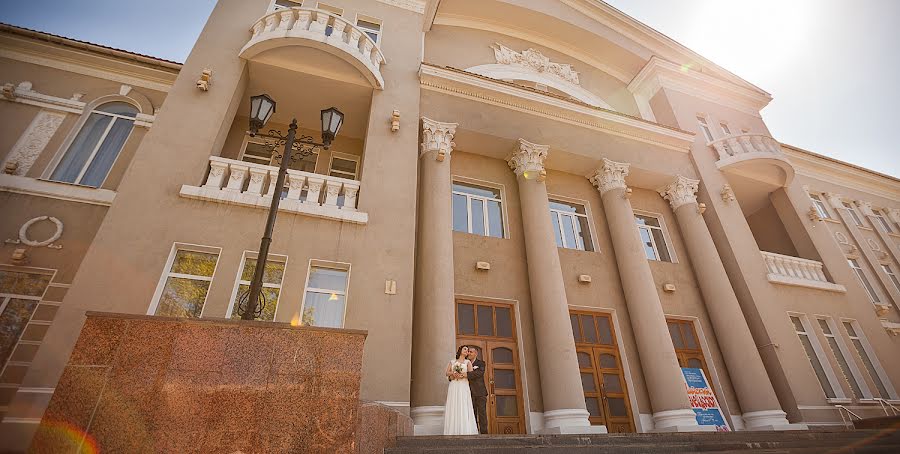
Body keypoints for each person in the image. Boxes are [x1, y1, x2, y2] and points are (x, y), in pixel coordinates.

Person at [443, 345, 479, 435]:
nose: (466, 351)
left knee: (463, 404)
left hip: (463, 385)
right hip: (454, 385)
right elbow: (447, 373)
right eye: (465, 349)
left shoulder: (468, 362)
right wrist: (453, 373)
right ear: (460, 350)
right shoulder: (452, 361)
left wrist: (463, 374)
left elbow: (471, 374)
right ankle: (453, 430)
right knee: (454, 404)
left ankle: (464, 429)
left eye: (467, 350)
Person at [466, 346, 489, 434]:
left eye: (471, 352)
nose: (469, 353)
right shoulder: (465, 363)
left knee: (482, 414)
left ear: (476, 353)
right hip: (469, 392)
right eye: (468, 352)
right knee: (472, 414)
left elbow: (478, 374)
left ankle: (484, 433)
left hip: (480, 393)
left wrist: (466, 374)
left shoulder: (481, 363)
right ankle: (474, 432)